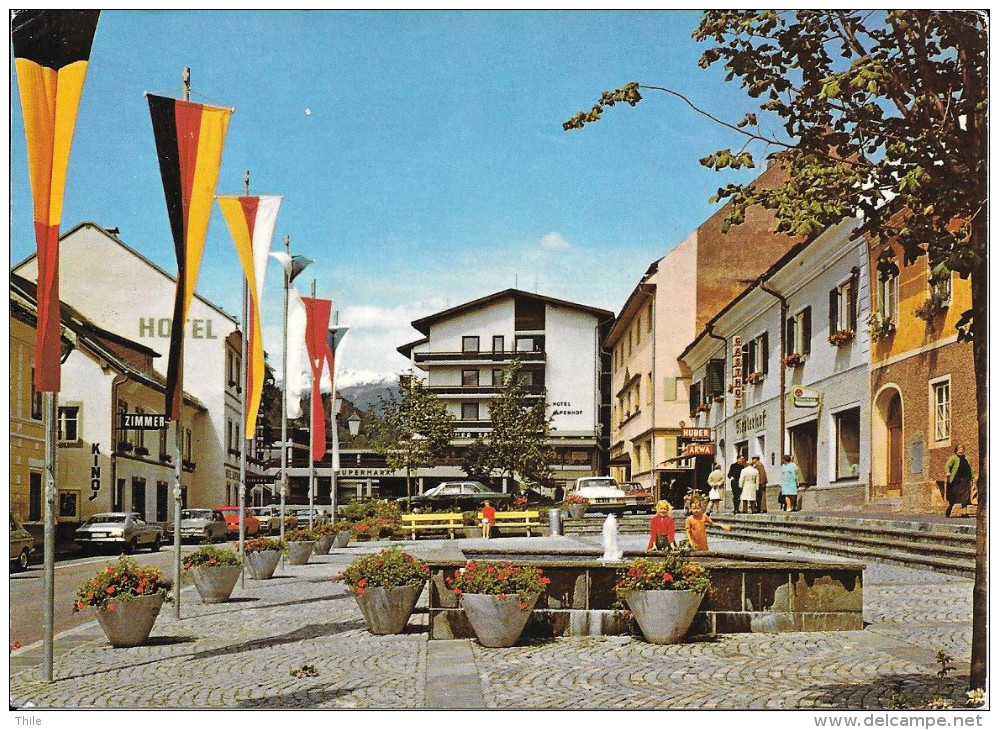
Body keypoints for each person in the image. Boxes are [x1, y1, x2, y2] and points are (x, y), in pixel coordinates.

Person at [944, 445, 974, 518]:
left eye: (962, 449)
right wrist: (947, 472)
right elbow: (947, 466)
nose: (961, 451)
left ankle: (964, 512)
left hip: (966, 479)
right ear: (956, 451)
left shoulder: (967, 458)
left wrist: (973, 478)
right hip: (956, 480)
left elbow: (971, 469)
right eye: (959, 449)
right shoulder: (953, 458)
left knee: (966, 496)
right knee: (954, 496)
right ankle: (950, 507)